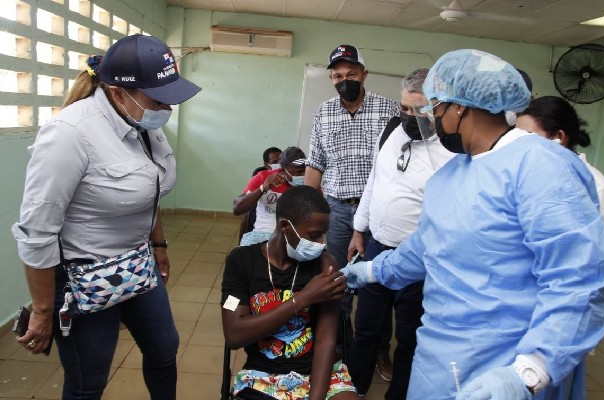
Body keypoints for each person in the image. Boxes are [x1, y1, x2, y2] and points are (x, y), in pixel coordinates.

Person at [341, 49, 604, 400]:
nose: (431, 121)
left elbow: (581, 279)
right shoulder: (452, 175)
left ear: (459, 106)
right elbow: (426, 248)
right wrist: (371, 272)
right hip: (439, 355)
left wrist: (532, 369)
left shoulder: (539, 165)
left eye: (434, 111)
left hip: (504, 364)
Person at [12, 34, 201, 399]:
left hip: (136, 264)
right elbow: (36, 233)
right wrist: (42, 309)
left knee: (164, 350)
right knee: (88, 383)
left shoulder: (143, 122)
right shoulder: (69, 134)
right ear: (117, 92)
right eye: (158, 98)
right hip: (84, 277)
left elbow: (150, 190)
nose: (167, 108)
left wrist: (158, 244)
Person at [346, 68, 454, 398]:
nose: (409, 117)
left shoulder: (450, 152)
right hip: (377, 247)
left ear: (438, 108)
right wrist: (358, 229)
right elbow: (374, 182)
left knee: (409, 334)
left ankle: (399, 394)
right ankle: (353, 388)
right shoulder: (393, 132)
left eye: (418, 110)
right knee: (365, 327)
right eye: (404, 108)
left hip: (418, 260)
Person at [222, 185, 360, 400]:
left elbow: (326, 341)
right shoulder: (241, 261)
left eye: (323, 235)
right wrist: (305, 297)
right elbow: (234, 335)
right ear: (285, 226)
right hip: (263, 376)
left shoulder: (325, 266)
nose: (321, 243)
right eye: (314, 235)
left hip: (320, 374)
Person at [304, 44, 399, 356]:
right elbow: (315, 164)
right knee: (337, 283)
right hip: (337, 211)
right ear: (331, 78)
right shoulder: (323, 112)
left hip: (379, 213)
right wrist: (307, 213)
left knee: (378, 285)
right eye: (339, 75)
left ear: (364, 75)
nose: (345, 80)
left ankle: (377, 352)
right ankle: (340, 348)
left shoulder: (389, 110)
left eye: (352, 74)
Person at [516, 95, 604, 245]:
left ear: (558, 137)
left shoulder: (599, 187)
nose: (517, 146)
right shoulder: (528, 176)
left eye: (527, 137)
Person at [234, 146, 307, 246]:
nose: (302, 175)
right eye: (298, 172)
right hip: (263, 234)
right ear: (283, 170)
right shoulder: (263, 177)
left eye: (304, 171)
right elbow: (237, 209)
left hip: (294, 236)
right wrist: (262, 188)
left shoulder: (309, 182)